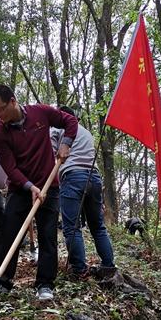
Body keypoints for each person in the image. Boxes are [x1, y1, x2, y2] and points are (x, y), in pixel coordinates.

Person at [0, 84, 77, 301]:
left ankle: (44, 284)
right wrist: (30, 187)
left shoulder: (40, 113)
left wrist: (66, 143)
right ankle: (4, 280)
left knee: (47, 236)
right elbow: (11, 168)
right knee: (10, 233)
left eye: (1, 110)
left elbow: (70, 121)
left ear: (13, 101)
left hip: (49, 186)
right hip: (20, 189)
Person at [51, 106, 116, 278]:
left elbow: (50, 154)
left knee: (72, 227)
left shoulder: (58, 128)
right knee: (98, 227)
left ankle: (79, 269)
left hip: (73, 176)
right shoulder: (87, 133)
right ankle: (108, 267)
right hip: (94, 177)